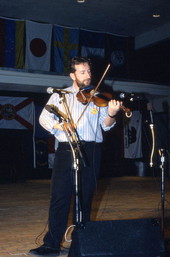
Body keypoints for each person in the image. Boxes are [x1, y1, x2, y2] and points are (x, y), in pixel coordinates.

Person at [29, 56, 121, 256]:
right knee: (59, 196)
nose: (88, 76)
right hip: (66, 149)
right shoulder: (60, 96)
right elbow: (44, 118)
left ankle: (82, 242)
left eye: (89, 71)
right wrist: (59, 125)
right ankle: (52, 244)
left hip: (91, 150)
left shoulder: (97, 96)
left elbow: (105, 126)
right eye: (82, 72)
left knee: (85, 197)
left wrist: (112, 114)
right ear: (72, 75)